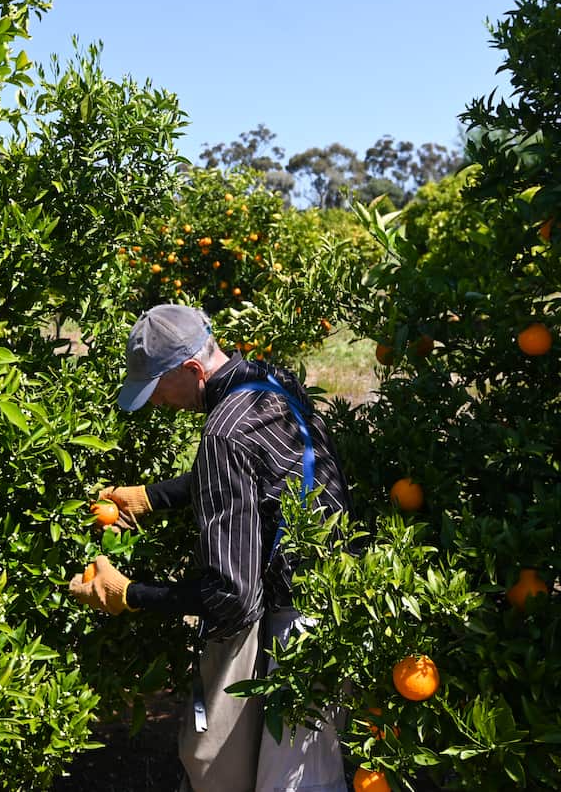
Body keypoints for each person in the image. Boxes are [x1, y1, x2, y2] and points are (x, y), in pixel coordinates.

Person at [68, 304, 350, 792]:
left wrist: (130, 594)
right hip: (338, 601)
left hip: (290, 627)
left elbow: (232, 595)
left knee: (288, 783)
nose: (156, 404)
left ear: (193, 370)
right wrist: (153, 497)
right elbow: (259, 472)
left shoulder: (222, 432)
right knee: (313, 770)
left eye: (157, 389)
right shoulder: (271, 381)